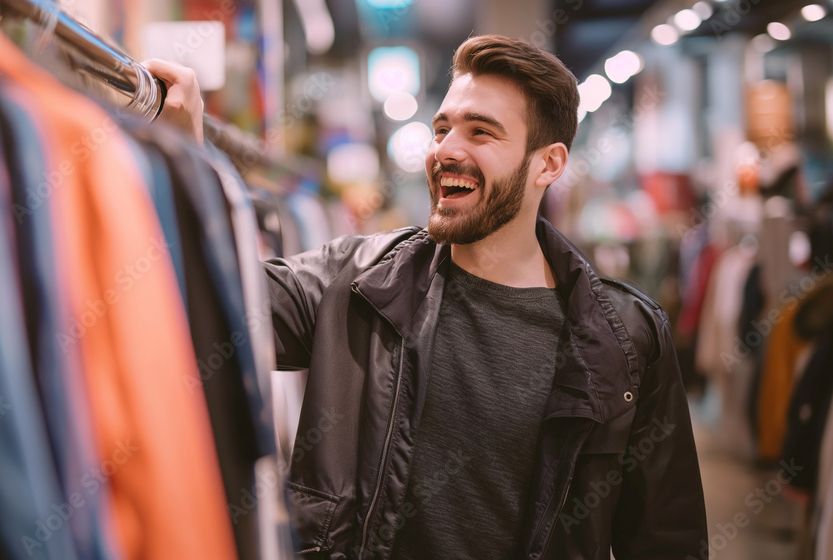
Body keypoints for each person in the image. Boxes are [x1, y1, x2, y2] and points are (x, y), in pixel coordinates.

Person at [146, 34, 707, 560]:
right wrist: (182, 162)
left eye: (480, 132)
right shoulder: (357, 282)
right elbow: (215, 306)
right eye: (443, 129)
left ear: (548, 164)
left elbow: (666, 540)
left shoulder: (627, 338)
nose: (445, 151)